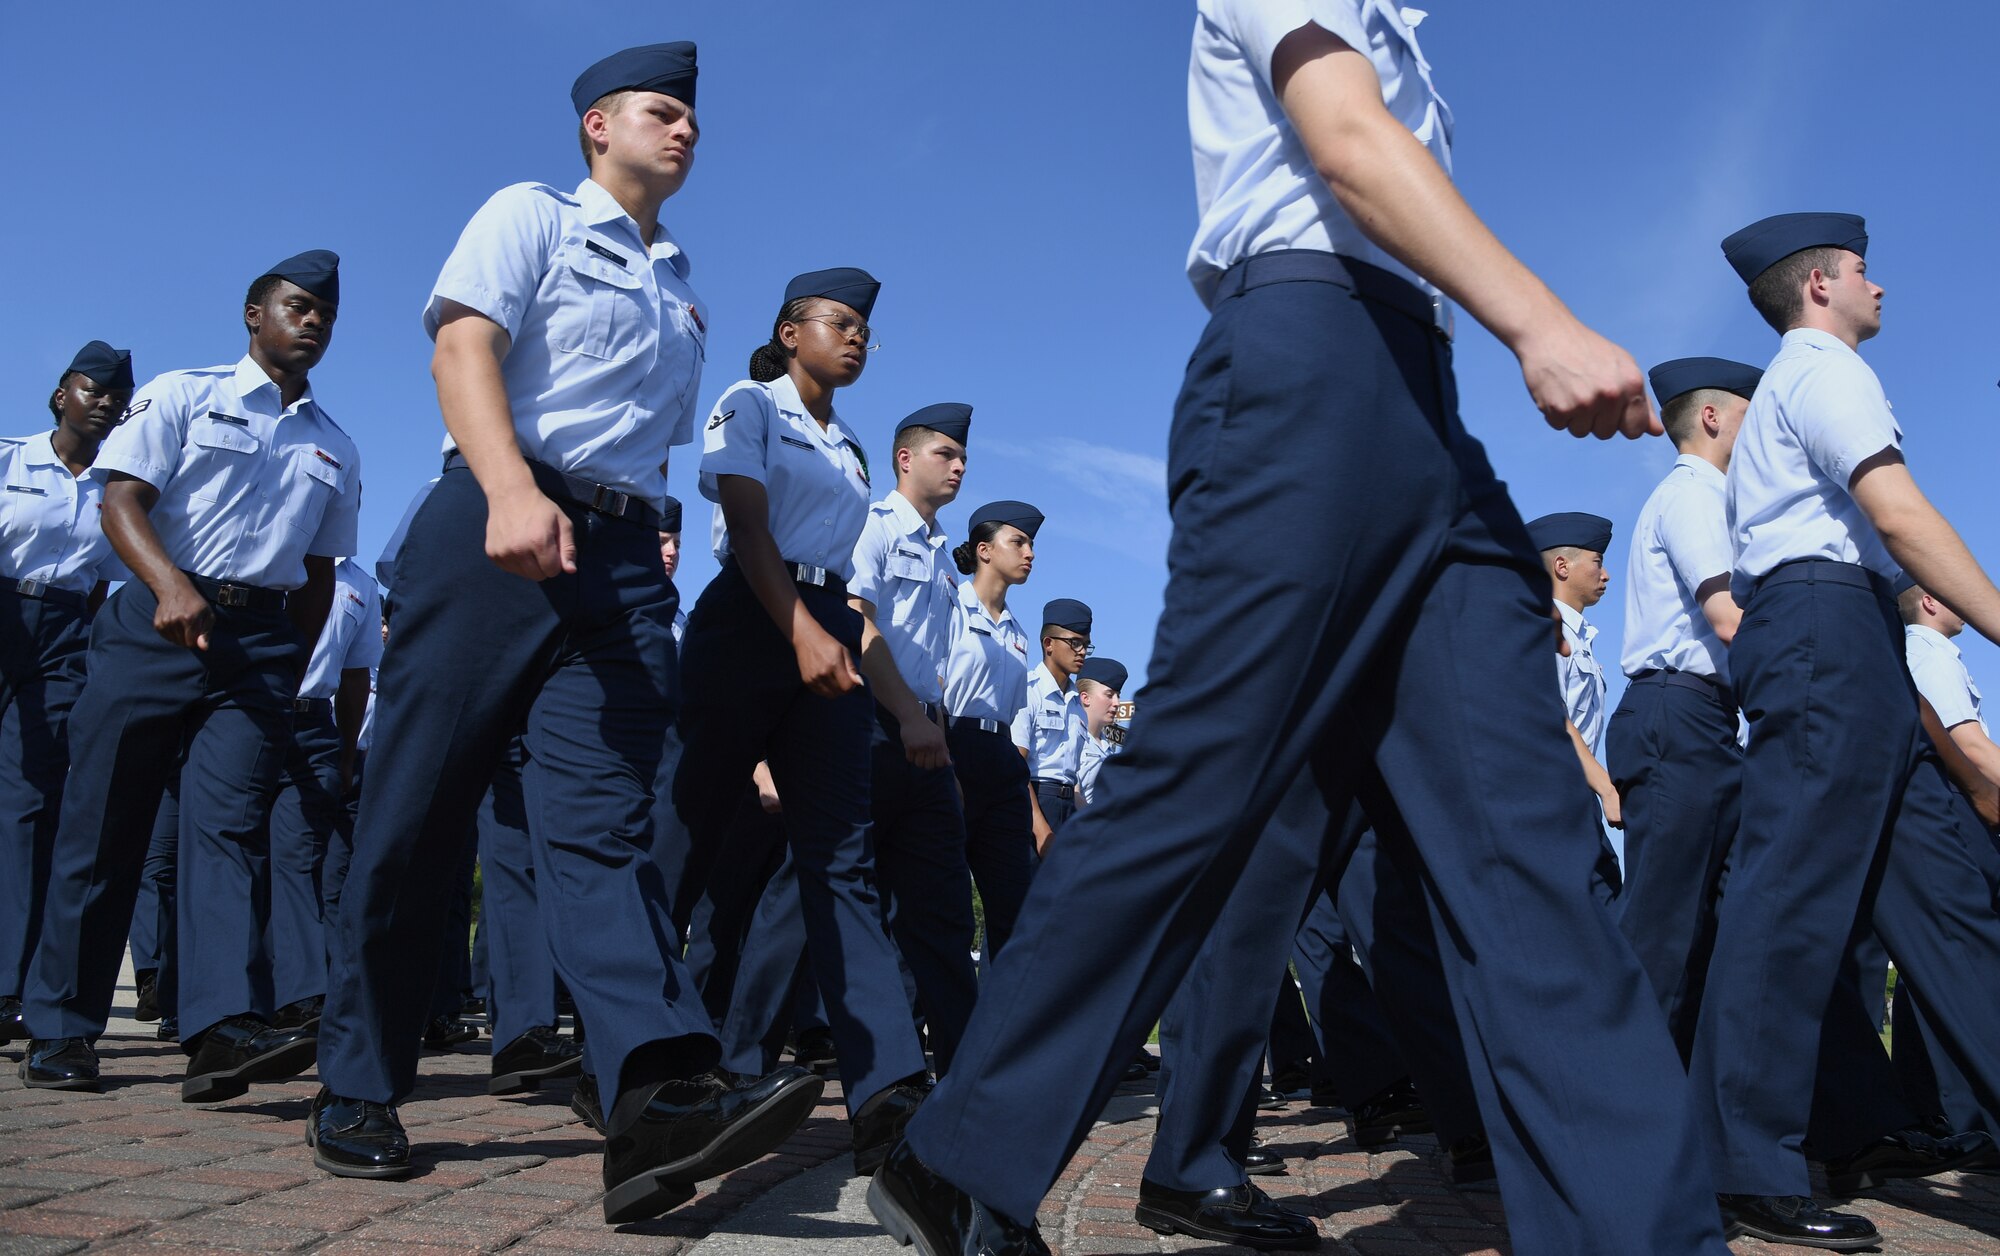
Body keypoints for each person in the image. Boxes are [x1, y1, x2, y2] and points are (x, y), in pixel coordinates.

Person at [866, 5, 1733, 1253]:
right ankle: (963, 1151)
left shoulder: (1404, 27)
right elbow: (1342, 138)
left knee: (1524, 836)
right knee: (1199, 775)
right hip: (1304, 357)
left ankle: (1636, 1231)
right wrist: (1537, 319)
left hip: (1419, 400)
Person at [311, 45, 822, 1224]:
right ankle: (358, 1079)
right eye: (661, 110)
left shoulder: (683, 283)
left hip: (617, 567)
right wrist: (504, 487)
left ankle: (651, 1094)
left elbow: (640, 439)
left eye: (693, 115)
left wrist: (648, 530)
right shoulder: (529, 216)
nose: (685, 128)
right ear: (598, 126)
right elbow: (462, 349)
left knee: (605, 826)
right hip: (493, 532)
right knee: (419, 807)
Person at [1689, 211, 2000, 1248]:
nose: (1882, 287)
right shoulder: (1822, 370)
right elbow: (1899, 515)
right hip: (1820, 625)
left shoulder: (1810, 376)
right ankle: (1741, 1161)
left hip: (1857, 630)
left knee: (1942, 898)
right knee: (1788, 896)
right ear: (1818, 285)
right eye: (1865, 271)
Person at [20, 251, 358, 1104]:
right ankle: (61, 1026)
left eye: (324, 311)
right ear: (255, 316)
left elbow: (319, 572)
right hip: (153, 624)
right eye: (296, 305)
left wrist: (290, 660)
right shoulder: (180, 394)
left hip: (257, 647)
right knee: (104, 828)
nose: (312, 320)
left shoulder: (335, 446)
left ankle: (218, 1033)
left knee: (228, 831)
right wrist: (169, 585)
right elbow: (120, 502)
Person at [672, 266, 932, 1177]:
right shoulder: (750, 403)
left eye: (867, 327)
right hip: (751, 617)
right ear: (791, 330)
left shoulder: (853, 445)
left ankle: (889, 1089)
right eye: (840, 322)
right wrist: (796, 632)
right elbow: (746, 526)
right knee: (686, 830)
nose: (857, 337)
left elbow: (839, 570)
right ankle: (637, 1058)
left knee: (840, 858)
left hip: (825, 634)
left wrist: (839, 646)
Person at [1608, 357, 1757, 1054]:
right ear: (1712, 417)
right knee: (1663, 928)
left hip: (1702, 717)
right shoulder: (1696, 495)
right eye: (1751, 415)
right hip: (1680, 714)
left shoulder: (1709, 496)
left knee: (1731, 927)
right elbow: (1727, 617)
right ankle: (1613, 1112)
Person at [0, 342, 134, 1047]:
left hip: (64, 634)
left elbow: (107, 583)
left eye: (117, 395)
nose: (106, 402)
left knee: (28, 808)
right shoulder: (8, 458)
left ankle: (7, 985)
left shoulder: (116, 488)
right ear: (61, 396)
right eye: (93, 390)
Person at [846, 403, 980, 1078]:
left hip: (926, 738)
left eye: (962, 459)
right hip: (873, 726)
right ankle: (746, 1055)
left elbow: (942, 667)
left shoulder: (941, 557)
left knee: (943, 912)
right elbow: (859, 627)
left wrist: (940, 743)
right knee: (849, 902)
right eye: (945, 455)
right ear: (905, 458)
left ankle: (959, 1076)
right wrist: (906, 716)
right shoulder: (871, 527)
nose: (958, 467)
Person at [267, 556, 382, 1034]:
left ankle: (301, 993)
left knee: (298, 857)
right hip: (256, 708)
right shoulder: (273, 553)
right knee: (232, 850)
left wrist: (347, 753)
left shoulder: (361, 586)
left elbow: (356, 675)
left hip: (317, 721)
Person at [943, 500, 1040, 959]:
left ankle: (1002, 1029)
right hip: (952, 746)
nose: (1029, 553)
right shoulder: (950, 607)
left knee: (1016, 910)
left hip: (1001, 760)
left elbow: (1016, 713)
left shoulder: (1019, 634)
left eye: (1031, 545)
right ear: (984, 550)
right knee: (942, 903)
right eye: (1018, 542)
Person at [1527, 512, 1621, 835]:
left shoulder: (1579, 638)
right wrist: (1607, 789)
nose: (1606, 575)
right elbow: (1554, 717)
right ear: (1562, 566)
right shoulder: (1546, 631)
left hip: (1575, 798)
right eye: (1597, 562)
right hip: (1547, 799)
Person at [1011, 598, 1091, 850]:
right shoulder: (1028, 690)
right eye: (1075, 643)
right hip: (1034, 803)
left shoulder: (1078, 705)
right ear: (1049, 644)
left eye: (1087, 645)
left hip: (1068, 809)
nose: (1082, 652)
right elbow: (1017, 767)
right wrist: (1042, 831)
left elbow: (1073, 777)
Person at [1073, 657, 1126, 807]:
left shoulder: (1106, 748)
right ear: (1085, 698)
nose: (1117, 703)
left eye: (1118, 695)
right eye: (1109, 695)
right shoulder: (1071, 738)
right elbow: (1071, 793)